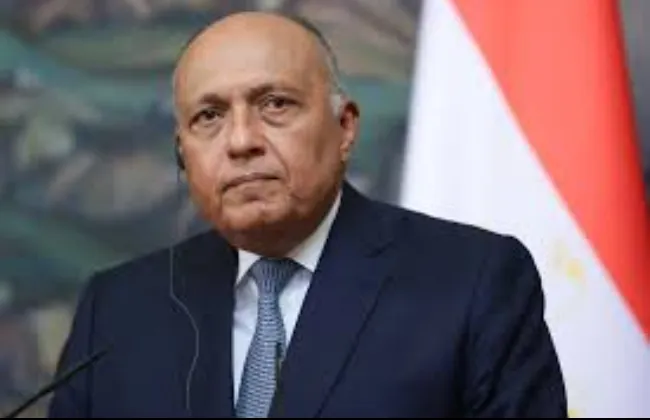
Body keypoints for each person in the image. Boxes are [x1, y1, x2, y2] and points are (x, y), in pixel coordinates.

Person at [47, 11, 567, 418]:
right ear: (183, 152)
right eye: (209, 116)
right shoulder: (117, 311)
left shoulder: (471, 281)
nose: (241, 141)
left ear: (345, 128)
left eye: (275, 104)